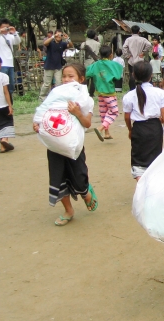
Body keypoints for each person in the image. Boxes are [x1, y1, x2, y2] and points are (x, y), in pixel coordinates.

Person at [32, 63, 99, 226]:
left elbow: (88, 123)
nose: (67, 79)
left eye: (71, 76)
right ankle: (68, 210)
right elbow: (43, 110)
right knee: (57, 178)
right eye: (64, 76)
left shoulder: (85, 100)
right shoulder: (55, 95)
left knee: (79, 176)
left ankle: (85, 191)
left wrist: (76, 112)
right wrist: (38, 123)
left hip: (74, 147)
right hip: (55, 146)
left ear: (81, 79)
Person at [123, 61, 164, 180]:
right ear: (151, 76)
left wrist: (130, 130)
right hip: (155, 128)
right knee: (155, 157)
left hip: (138, 129)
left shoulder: (129, 95)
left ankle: (141, 182)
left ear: (133, 75)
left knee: (138, 158)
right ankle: (152, 183)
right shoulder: (160, 93)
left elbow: (127, 117)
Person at [85, 46, 124, 141]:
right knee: (114, 112)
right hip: (109, 92)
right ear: (111, 55)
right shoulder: (113, 64)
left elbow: (87, 74)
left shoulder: (95, 64)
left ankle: (107, 133)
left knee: (104, 112)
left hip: (99, 92)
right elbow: (118, 76)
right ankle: (101, 127)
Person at [0, 18, 21, 97]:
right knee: (2, 85)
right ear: (0, 27)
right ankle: (3, 102)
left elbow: (18, 41)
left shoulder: (10, 36)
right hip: (1, 64)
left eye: (7, 27)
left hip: (10, 64)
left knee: (11, 85)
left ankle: (10, 103)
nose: (6, 29)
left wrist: (14, 32)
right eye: (4, 27)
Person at [39, 29, 73, 100]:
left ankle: (58, 97)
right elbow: (45, 43)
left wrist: (68, 39)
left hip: (58, 66)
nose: (59, 36)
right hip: (49, 66)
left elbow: (71, 46)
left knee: (58, 83)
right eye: (57, 35)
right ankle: (42, 97)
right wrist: (53, 36)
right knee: (47, 84)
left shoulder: (62, 44)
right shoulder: (51, 43)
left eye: (60, 35)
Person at [122, 25, 153, 90]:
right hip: (140, 60)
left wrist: (127, 55)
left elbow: (124, 47)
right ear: (139, 32)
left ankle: (132, 89)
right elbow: (149, 45)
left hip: (131, 60)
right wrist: (144, 52)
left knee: (132, 75)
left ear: (131, 31)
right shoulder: (143, 39)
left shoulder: (128, 39)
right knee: (141, 75)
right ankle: (141, 88)